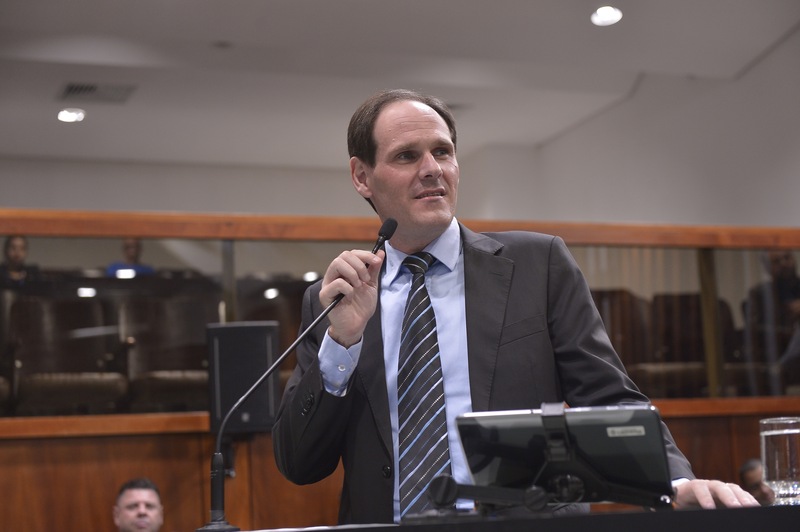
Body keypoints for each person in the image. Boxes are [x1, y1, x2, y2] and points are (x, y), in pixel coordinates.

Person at [272, 89, 758, 524]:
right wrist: (342, 342)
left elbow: (607, 395)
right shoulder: (336, 300)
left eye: (443, 151)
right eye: (407, 156)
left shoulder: (537, 264)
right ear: (362, 176)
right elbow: (300, 464)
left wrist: (674, 483)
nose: (432, 169)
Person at [743, 250, 800, 393]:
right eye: (776, 262)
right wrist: (789, 323)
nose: (784, 264)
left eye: (787, 258)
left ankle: (783, 366)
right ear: (767, 267)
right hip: (778, 349)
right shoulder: (760, 294)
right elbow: (755, 330)